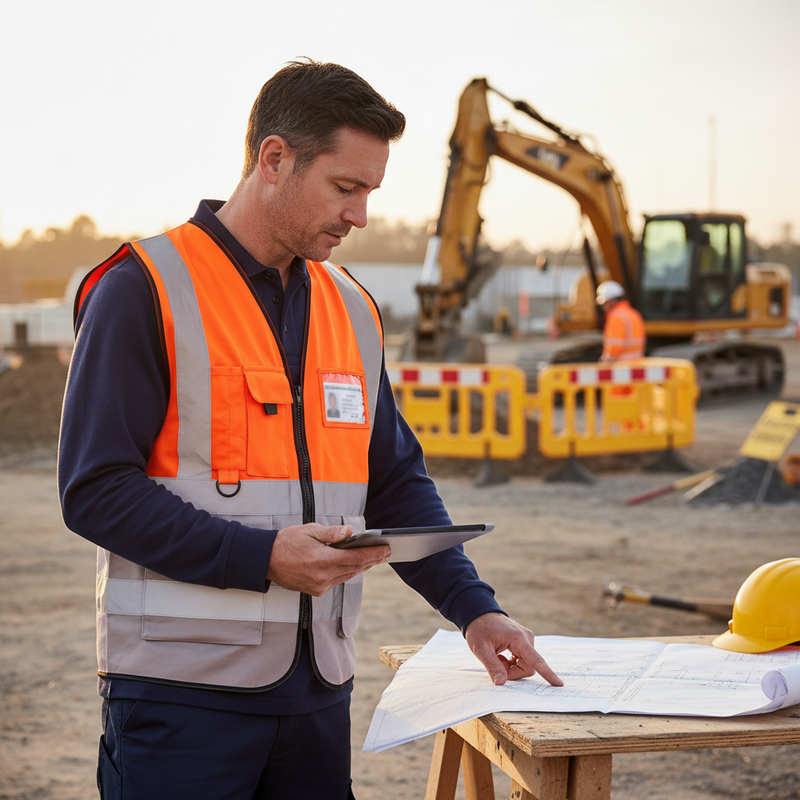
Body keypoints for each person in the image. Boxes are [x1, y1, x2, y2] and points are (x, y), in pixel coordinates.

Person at [58, 59, 561, 800]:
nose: (359, 214)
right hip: (180, 699)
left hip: (316, 694)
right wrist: (260, 556)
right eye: (345, 187)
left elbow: (392, 481)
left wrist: (476, 611)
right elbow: (94, 491)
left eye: (370, 192)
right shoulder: (144, 288)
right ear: (274, 159)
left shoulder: (351, 307)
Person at [596, 280, 646, 362]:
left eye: (604, 302)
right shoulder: (634, 314)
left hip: (620, 366)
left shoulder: (616, 316)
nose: (603, 306)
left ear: (611, 300)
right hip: (637, 364)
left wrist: (605, 361)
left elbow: (615, 345)